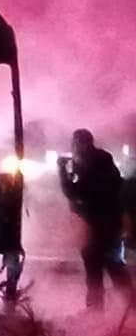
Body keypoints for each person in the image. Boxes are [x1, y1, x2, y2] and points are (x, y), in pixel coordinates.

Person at [58, 128, 132, 310]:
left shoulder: (94, 163)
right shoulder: (99, 160)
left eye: (76, 144)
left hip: (103, 223)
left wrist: (62, 171)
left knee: (101, 263)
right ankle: (125, 307)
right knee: (109, 265)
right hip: (105, 222)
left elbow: (73, 192)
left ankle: (99, 310)